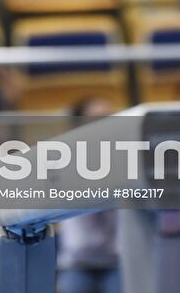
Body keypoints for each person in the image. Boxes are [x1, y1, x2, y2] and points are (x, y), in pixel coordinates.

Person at [57, 97, 122, 293]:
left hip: (118, 260)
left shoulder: (126, 157)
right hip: (77, 261)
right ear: (80, 125)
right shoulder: (64, 160)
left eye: (109, 119)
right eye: (97, 119)